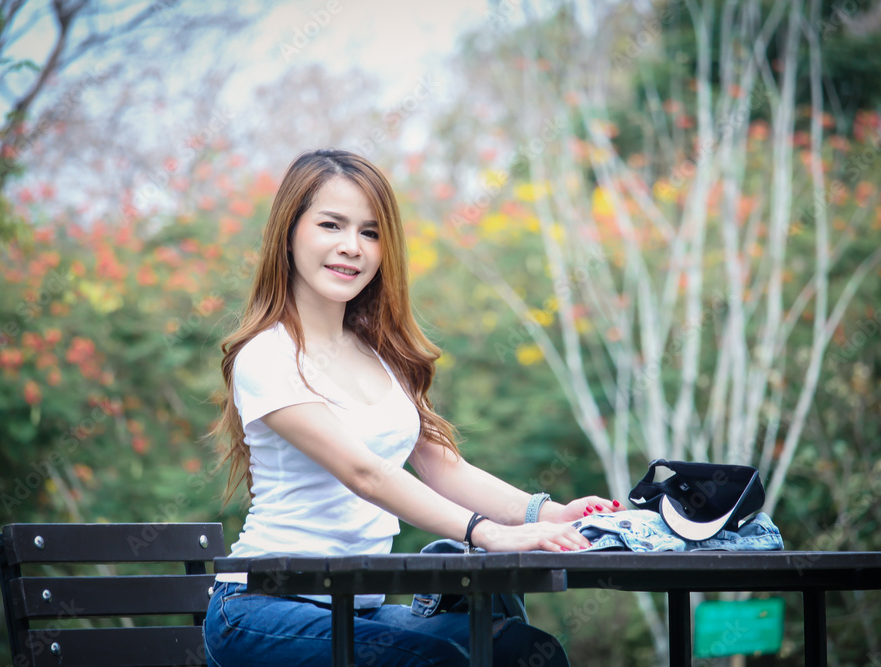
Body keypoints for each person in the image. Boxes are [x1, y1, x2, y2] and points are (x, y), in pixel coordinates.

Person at [204, 148, 626, 667]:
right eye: (331, 225)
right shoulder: (266, 356)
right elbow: (366, 473)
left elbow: (441, 465)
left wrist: (550, 514)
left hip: (354, 608)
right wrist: (487, 533)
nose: (351, 247)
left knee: (521, 649)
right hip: (261, 607)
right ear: (289, 232)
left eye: (370, 232)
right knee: (434, 660)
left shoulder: (381, 356)